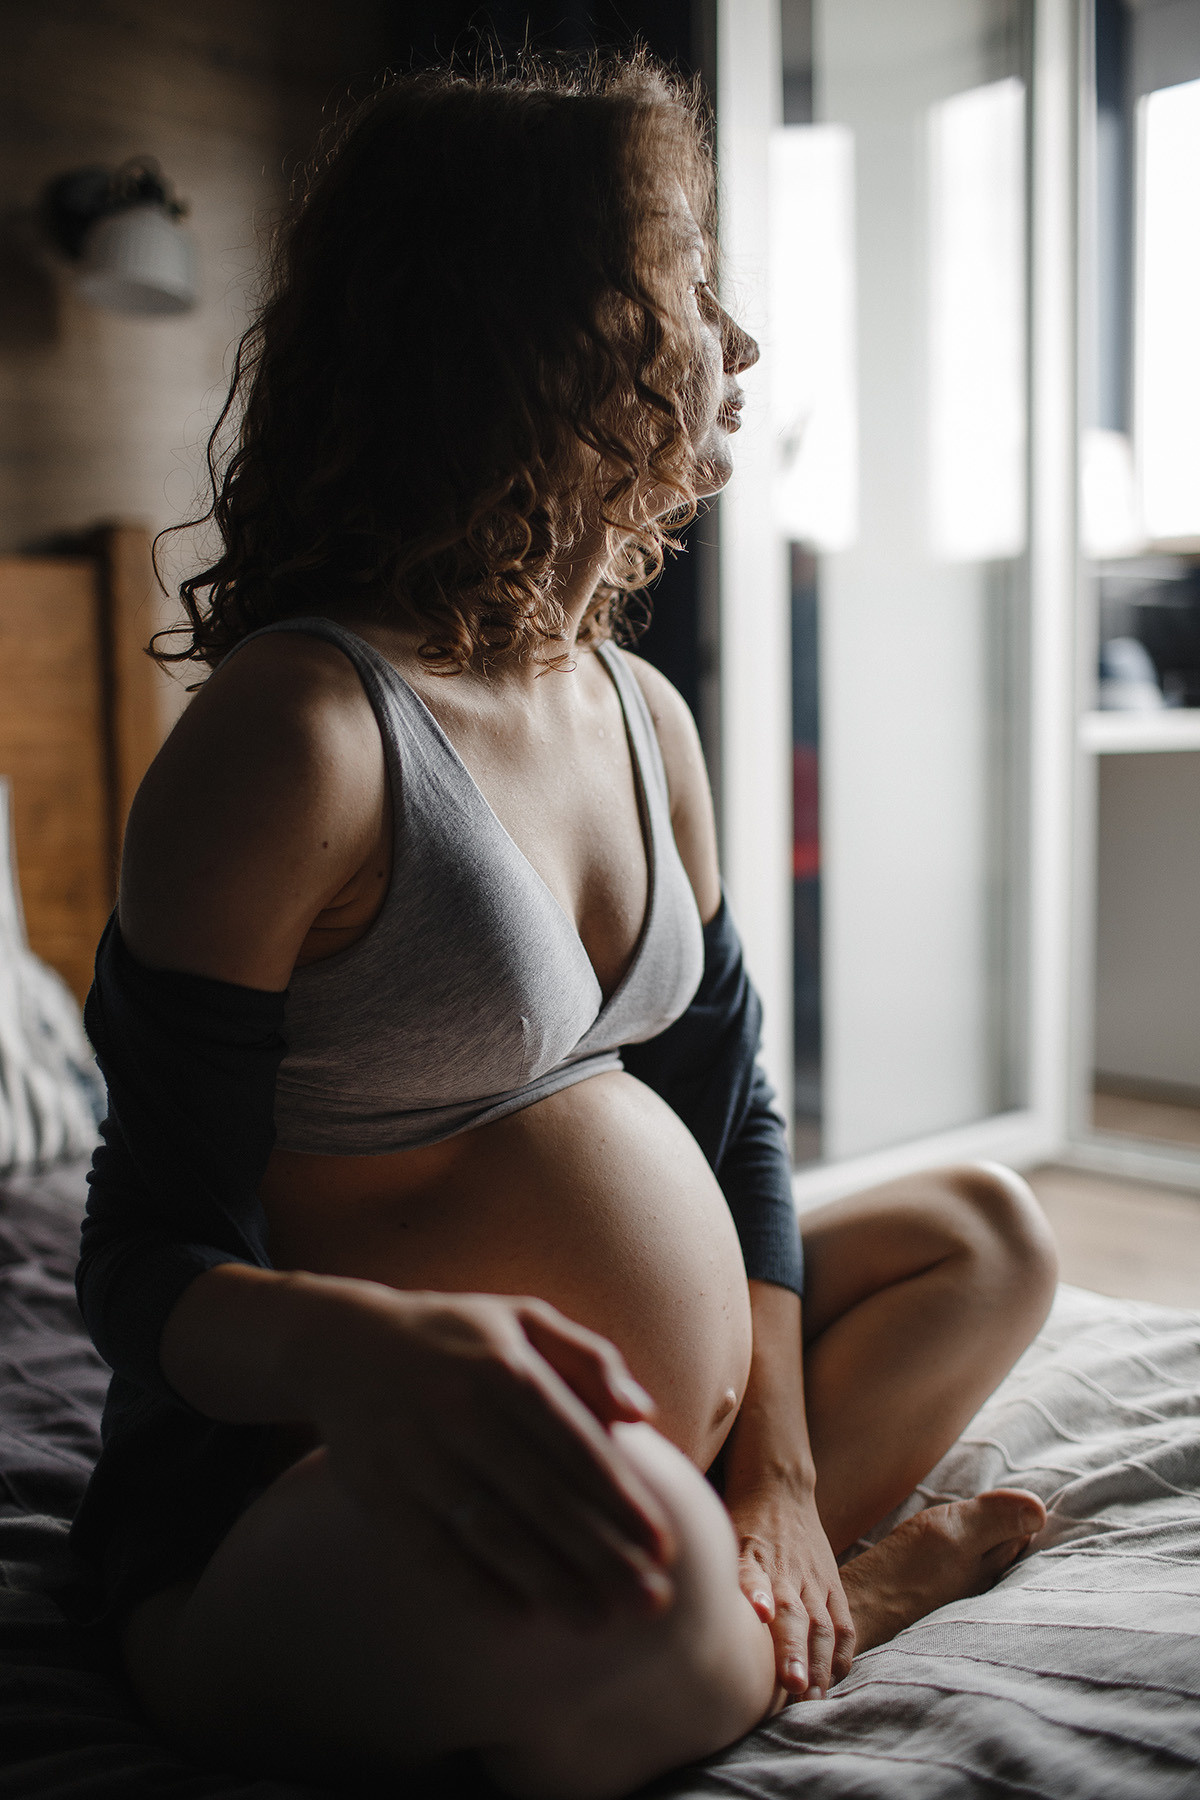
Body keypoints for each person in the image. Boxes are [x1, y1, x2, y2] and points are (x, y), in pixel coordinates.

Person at [71, 52, 1058, 1799]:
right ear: (530, 331)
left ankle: (760, 1558)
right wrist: (364, 1350)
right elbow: (139, 1261)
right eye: (687, 280)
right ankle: (799, 1608)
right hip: (317, 1486)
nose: (733, 344)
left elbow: (737, 1117)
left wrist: (780, 1470)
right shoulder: (303, 736)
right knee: (648, 1589)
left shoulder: (639, 714)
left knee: (987, 1232)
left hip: (667, 1465)